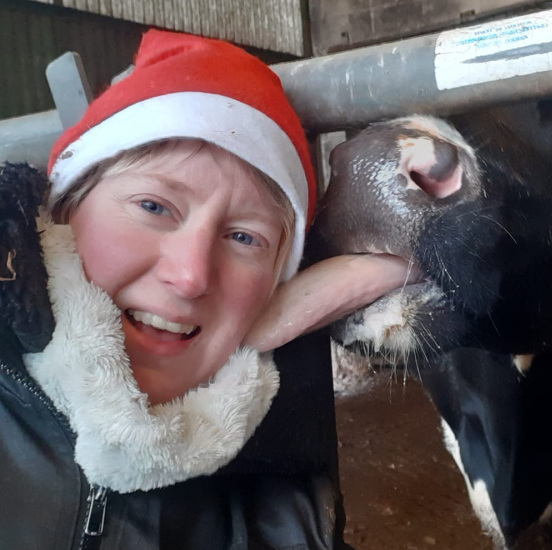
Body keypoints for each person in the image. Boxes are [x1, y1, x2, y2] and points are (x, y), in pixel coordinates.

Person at [0, 28, 397, 549]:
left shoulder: (284, 518)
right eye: (154, 206)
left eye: (243, 237)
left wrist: (376, 273)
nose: (191, 276)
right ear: (63, 210)